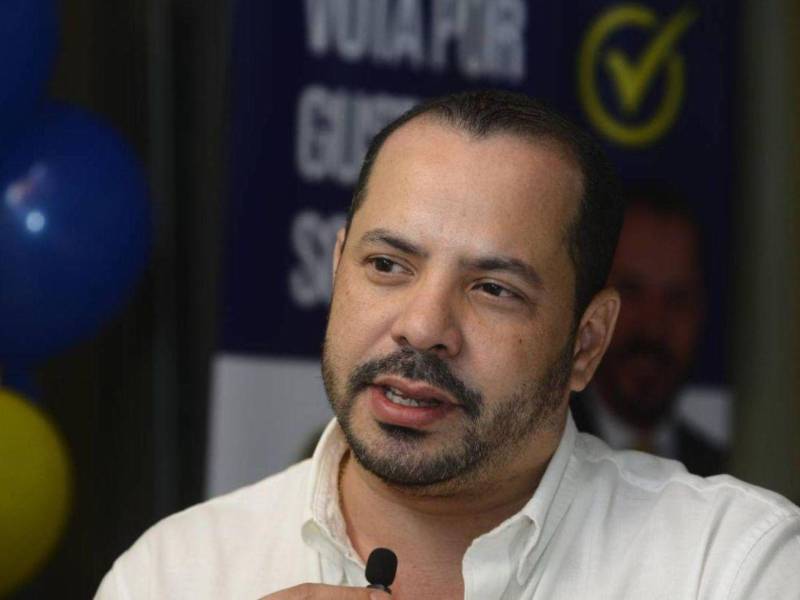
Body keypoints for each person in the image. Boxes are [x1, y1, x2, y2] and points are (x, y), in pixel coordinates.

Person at [95, 91, 799, 599]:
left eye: (493, 288)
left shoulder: (730, 565)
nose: (423, 325)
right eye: (387, 265)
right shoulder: (174, 575)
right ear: (337, 271)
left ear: (586, 344)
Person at [570, 186, 729, 475]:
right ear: (591, 300)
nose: (653, 327)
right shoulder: (534, 465)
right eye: (631, 292)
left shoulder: (730, 476)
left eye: (677, 300)